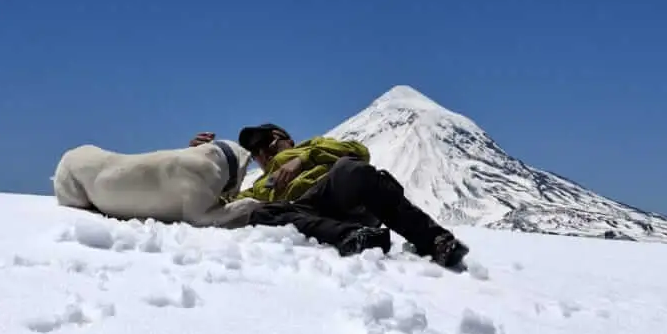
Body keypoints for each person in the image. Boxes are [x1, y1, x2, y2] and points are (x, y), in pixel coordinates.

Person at [191, 124, 469, 270]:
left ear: (285, 138)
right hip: (307, 213)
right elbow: (219, 207)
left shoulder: (316, 146)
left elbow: (359, 152)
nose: (264, 153)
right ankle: (356, 237)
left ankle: (435, 241)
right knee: (259, 212)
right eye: (256, 152)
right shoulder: (262, 183)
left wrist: (302, 158)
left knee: (351, 169)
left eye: (268, 142)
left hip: (337, 192)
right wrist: (198, 159)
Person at [53, 137, 256, 226]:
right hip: (73, 176)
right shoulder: (197, 169)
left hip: (89, 170)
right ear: (241, 164)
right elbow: (199, 218)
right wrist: (248, 205)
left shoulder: (194, 163)